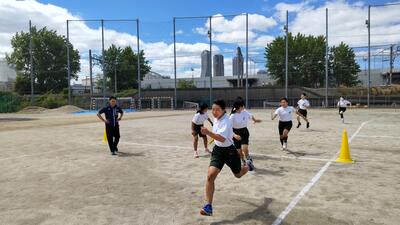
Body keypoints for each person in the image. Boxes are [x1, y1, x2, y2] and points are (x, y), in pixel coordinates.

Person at [199, 99, 252, 216]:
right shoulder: (216, 119)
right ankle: (208, 206)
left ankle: (247, 166)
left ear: (223, 110)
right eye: (213, 109)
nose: (214, 112)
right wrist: (233, 134)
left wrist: (207, 132)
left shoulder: (226, 120)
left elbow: (222, 138)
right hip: (218, 151)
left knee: (238, 174)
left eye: (217, 109)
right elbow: (224, 133)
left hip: (230, 152)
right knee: (210, 176)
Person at [229, 97, 262, 166]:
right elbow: (229, 128)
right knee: (239, 151)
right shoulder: (232, 116)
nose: (244, 106)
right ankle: (243, 161)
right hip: (236, 133)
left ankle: (248, 157)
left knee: (245, 148)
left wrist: (255, 120)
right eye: (242, 105)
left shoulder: (244, 112)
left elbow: (251, 116)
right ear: (238, 106)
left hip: (244, 132)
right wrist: (234, 135)